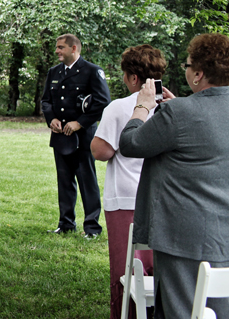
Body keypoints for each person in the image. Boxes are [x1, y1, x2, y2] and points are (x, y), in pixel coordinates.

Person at [120, 33, 229, 319]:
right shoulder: (182, 110)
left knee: (181, 312)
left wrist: (142, 106)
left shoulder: (178, 112)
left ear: (199, 74)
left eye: (188, 64)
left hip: (186, 240)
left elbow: (131, 144)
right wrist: (181, 106)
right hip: (224, 237)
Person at [90, 44, 164, 319]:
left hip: (125, 200)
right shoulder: (173, 107)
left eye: (124, 74)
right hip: (163, 200)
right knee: (159, 270)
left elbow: (101, 150)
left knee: (127, 271)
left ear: (133, 78)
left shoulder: (120, 107)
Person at [40, 33, 110, 237]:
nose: (57, 51)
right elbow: (46, 100)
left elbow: (102, 102)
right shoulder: (54, 72)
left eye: (61, 47)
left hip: (83, 138)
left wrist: (80, 123)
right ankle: (66, 224)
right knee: (64, 181)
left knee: (87, 181)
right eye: (57, 47)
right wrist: (51, 118)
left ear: (74, 49)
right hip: (61, 135)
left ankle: (92, 228)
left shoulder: (91, 71)